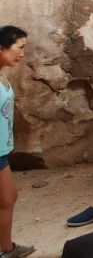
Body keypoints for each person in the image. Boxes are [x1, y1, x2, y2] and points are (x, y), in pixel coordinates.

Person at [0, 26, 34, 258]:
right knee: (7, 197)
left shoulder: (2, 74)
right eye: (19, 47)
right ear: (1, 48)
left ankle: (6, 248)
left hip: (2, 151)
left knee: (8, 197)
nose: (22, 54)